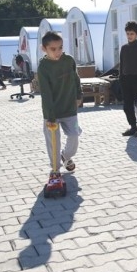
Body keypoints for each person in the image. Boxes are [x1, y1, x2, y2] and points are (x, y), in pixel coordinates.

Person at [37, 31, 82, 173]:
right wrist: (50, 117)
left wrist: (79, 95)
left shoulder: (69, 61)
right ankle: (55, 169)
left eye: (60, 47)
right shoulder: (43, 67)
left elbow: (76, 79)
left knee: (74, 135)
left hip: (69, 108)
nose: (58, 52)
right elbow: (46, 93)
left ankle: (66, 155)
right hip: (52, 112)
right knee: (53, 142)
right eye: (53, 49)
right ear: (44, 49)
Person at [119, 21, 137, 137]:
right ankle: (133, 126)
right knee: (127, 106)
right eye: (127, 33)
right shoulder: (124, 48)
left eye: (132, 33)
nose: (129, 36)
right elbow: (121, 64)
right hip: (125, 80)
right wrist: (121, 78)